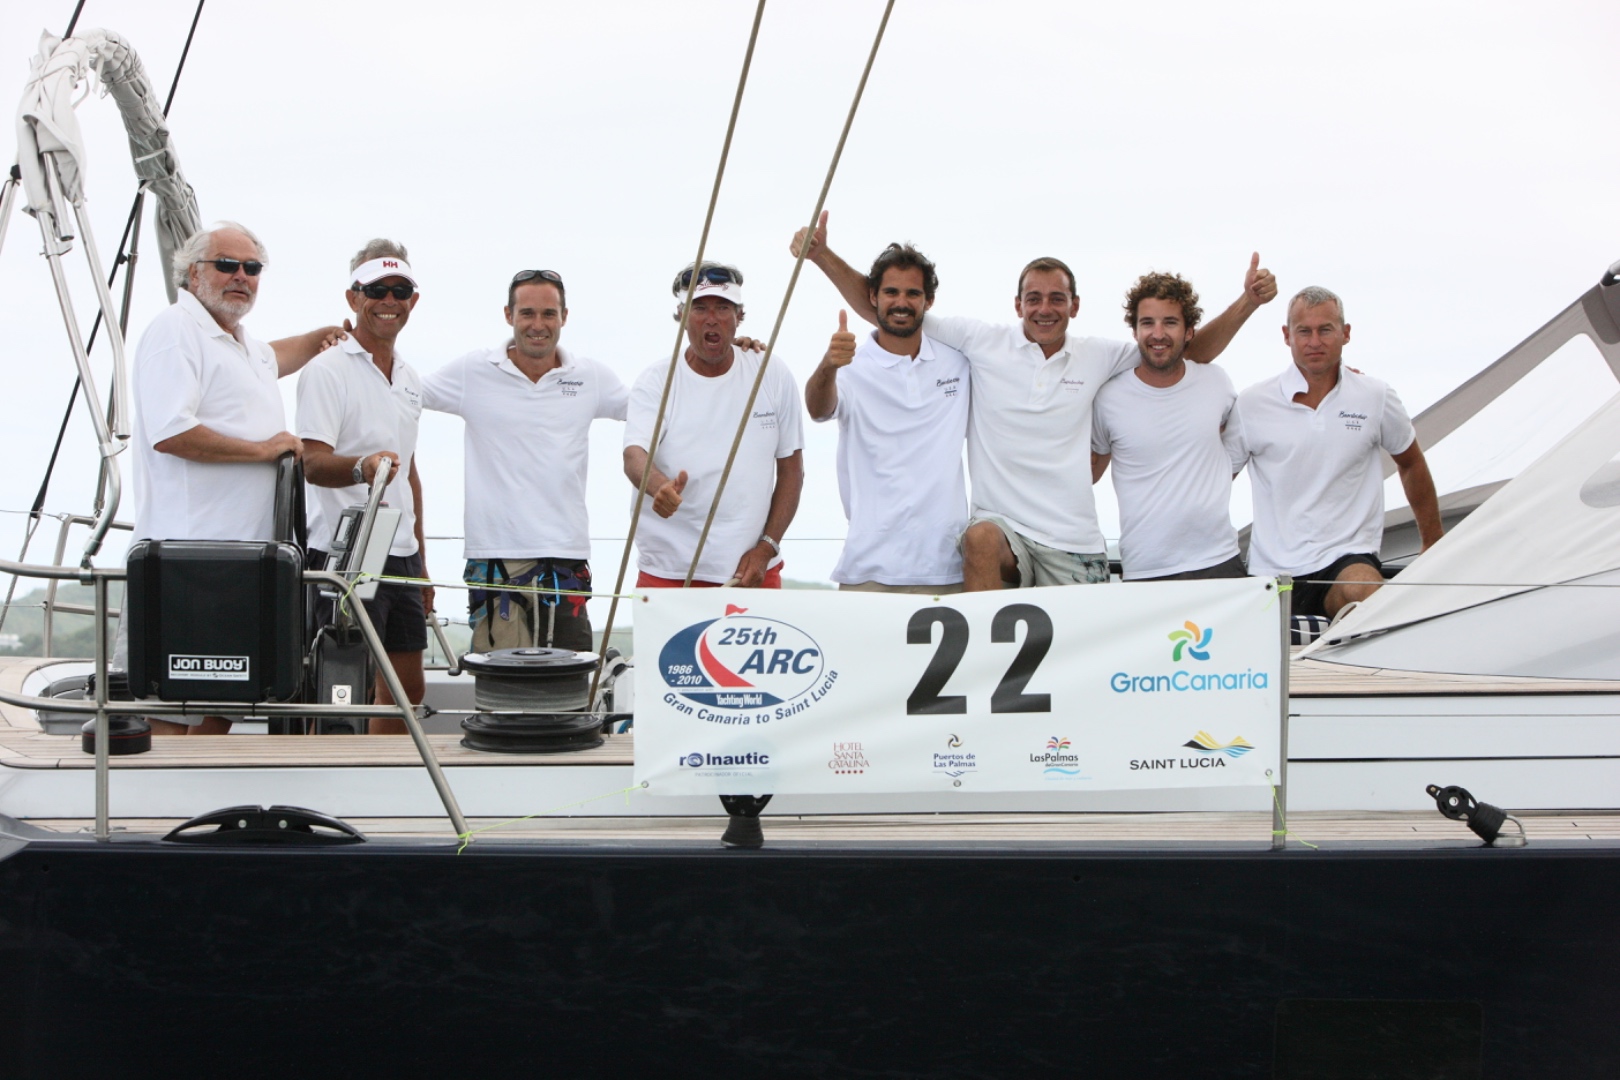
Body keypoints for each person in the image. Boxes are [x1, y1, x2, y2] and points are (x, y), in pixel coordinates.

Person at [793, 211, 1275, 590]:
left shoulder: (1100, 356)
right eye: (1034, 298)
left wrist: (1247, 303)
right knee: (978, 539)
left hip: (1075, 541)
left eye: (1057, 299)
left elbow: (1184, 350)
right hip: (1005, 534)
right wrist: (822, 256)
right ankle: (983, 682)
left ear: (1075, 306)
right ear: (1017, 304)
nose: (1045, 308)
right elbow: (892, 309)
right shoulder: (981, 342)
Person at [126, 221, 345, 735]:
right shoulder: (175, 331)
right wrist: (262, 450)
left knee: (227, 698)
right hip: (189, 559)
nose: (241, 276)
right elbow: (170, 431)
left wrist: (319, 340)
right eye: (227, 265)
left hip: (243, 562)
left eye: (252, 268)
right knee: (173, 703)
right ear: (192, 272)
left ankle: (200, 798)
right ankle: (160, 808)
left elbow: (276, 356)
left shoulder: (241, 343)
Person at [422, 270, 628, 652]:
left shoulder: (590, 377)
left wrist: (731, 359)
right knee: (502, 695)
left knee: (568, 689)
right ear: (508, 315)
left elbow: (654, 410)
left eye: (549, 314)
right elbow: (402, 392)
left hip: (566, 557)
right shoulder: (473, 371)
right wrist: (349, 347)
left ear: (564, 317)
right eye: (527, 313)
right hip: (494, 559)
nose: (538, 325)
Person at [1227, 285, 1443, 619]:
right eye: (1304, 331)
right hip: (1272, 572)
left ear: (1346, 333)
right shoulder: (1252, 403)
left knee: (1367, 593)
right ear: (1287, 336)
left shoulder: (1375, 395)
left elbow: (1411, 462)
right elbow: (1217, 479)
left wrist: (1433, 544)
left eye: (1325, 330)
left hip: (1347, 561)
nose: (1315, 341)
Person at [297, 240, 430, 734]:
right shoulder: (326, 370)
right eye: (377, 290)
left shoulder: (411, 377)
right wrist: (363, 468)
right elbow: (312, 462)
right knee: (338, 684)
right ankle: (330, 790)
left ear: (413, 300)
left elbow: (410, 473)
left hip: (401, 553)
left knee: (405, 691)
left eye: (400, 290)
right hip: (344, 552)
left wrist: (423, 561)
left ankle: (380, 788)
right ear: (353, 297)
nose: (389, 300)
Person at [623, 262, 804, 588]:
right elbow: (635, 454)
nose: (712, 318)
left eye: (723, 308)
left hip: (753, 572)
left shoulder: (772, 373)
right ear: (681, 316)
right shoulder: (655, 381)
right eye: (699, 308)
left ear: (739, 317)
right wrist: (659, 487)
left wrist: (766, 549)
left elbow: (792, 471)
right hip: (668, 574)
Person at [803, 243, 968, 593]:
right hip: (868, 570)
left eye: (913, 293)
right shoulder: (850, 368)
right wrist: (828, 365)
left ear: (929, 301)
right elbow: (818, 409)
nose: (902, 303)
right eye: (891, 292)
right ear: (873, 298)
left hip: (946, 571)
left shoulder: (959, 362)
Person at [1090, 272, 1246, 581]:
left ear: (1189, 331)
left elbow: (1241, 438)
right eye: (1147, 323)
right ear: (1134, 331)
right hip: (1146, 568)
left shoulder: (1216, 381)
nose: (1157, 333)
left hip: (1220, 561)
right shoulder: (1108, 397)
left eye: (1170, 323)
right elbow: (1091, 471)